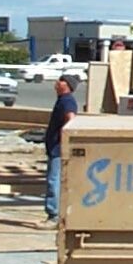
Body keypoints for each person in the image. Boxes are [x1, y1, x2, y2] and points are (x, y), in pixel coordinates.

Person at [43, 74, 78, 224]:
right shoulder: (62, 100)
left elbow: (70, 119)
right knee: (55, 180)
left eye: (61, 81)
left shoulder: (67, 101)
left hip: (58, 148)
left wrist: (63, 139)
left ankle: (54, 214)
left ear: (67, 85)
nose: (57, 83)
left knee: (54, 180)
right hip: (54, 148)